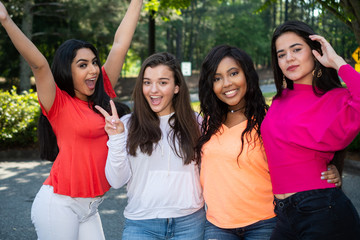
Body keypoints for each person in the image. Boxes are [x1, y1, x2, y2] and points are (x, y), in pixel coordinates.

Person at [0, 0, 142, 239]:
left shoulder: (101, 93)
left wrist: (137, 1)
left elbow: (120, 44)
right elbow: (39, 64)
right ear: (68, 69)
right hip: (59, 204)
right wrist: (5, 19)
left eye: (94, 63)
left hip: (90, 208)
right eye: (83, 65)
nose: (94, 70)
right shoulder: (58, 103)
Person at [195, 44, 342, 240]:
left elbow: (300, 156)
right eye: (217, 78)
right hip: (217, 225)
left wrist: (329, 171)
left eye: (233, 73)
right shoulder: (205, 125)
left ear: (247, 74)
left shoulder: (270, 120)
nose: (227, 83)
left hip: (265, 222)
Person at [261, 20, 360, 239]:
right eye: (281, 54)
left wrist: (336, 62)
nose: (289, 58)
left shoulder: (336, 98)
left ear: (315, 52)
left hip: (322, 210)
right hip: (284, 213)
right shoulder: (279, 100)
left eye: (296, 49)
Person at [96, 52, 205, 240]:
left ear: (177, 87)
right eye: (147, 82)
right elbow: (116, 181)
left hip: (190, 222)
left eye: (163, 82)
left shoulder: (196, 122)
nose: (153, 90)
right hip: (141, 224)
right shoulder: (127, 125)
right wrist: (116, 138)